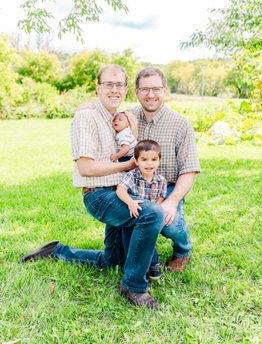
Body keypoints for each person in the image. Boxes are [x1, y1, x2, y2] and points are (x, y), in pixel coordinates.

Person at [21, 64, 165, 309]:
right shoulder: (86, 117)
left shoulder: (117, 118)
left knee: (113, 260)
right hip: (99, 195)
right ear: (98, 88)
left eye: (119, 84)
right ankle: (133, 286)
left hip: (118, 193)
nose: (114, 89)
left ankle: (58, 251)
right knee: (151, 213)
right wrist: (127, 165)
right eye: (108, 84)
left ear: (125, 89)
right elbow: (85, 168)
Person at [78, 67, 201, 274]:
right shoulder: (126, 117)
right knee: (135, 221)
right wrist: (84, 106)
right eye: (144, 89)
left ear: (165, 90)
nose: (150, 94)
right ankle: (146, 262)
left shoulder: (180, 123)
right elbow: (100, 112)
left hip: (166, 187)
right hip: (134, 185)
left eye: (156, 89)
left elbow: (190, 170)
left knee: (168, 221)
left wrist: (171, 202)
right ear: (136, 92)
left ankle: (182, 249)